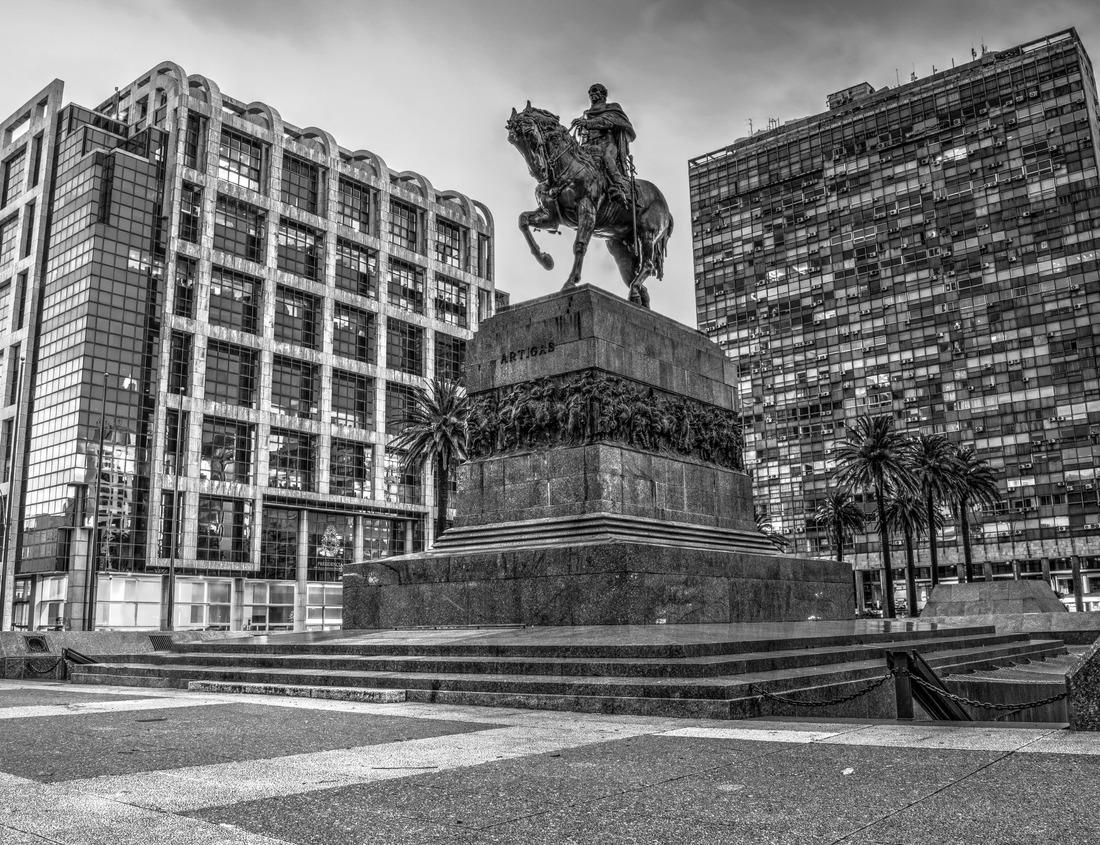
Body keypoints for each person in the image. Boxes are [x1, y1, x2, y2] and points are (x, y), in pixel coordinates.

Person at [571, 83, 636, 206]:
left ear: (603, 94)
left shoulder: (613, 108)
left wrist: (586, 123)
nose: (592, 94)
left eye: (595, 91)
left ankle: (619, 186)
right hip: (590, 145)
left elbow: (607, 121)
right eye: (590, 92)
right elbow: (583, 134)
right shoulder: (586, 113)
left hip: (607, 143)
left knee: (606, 157)